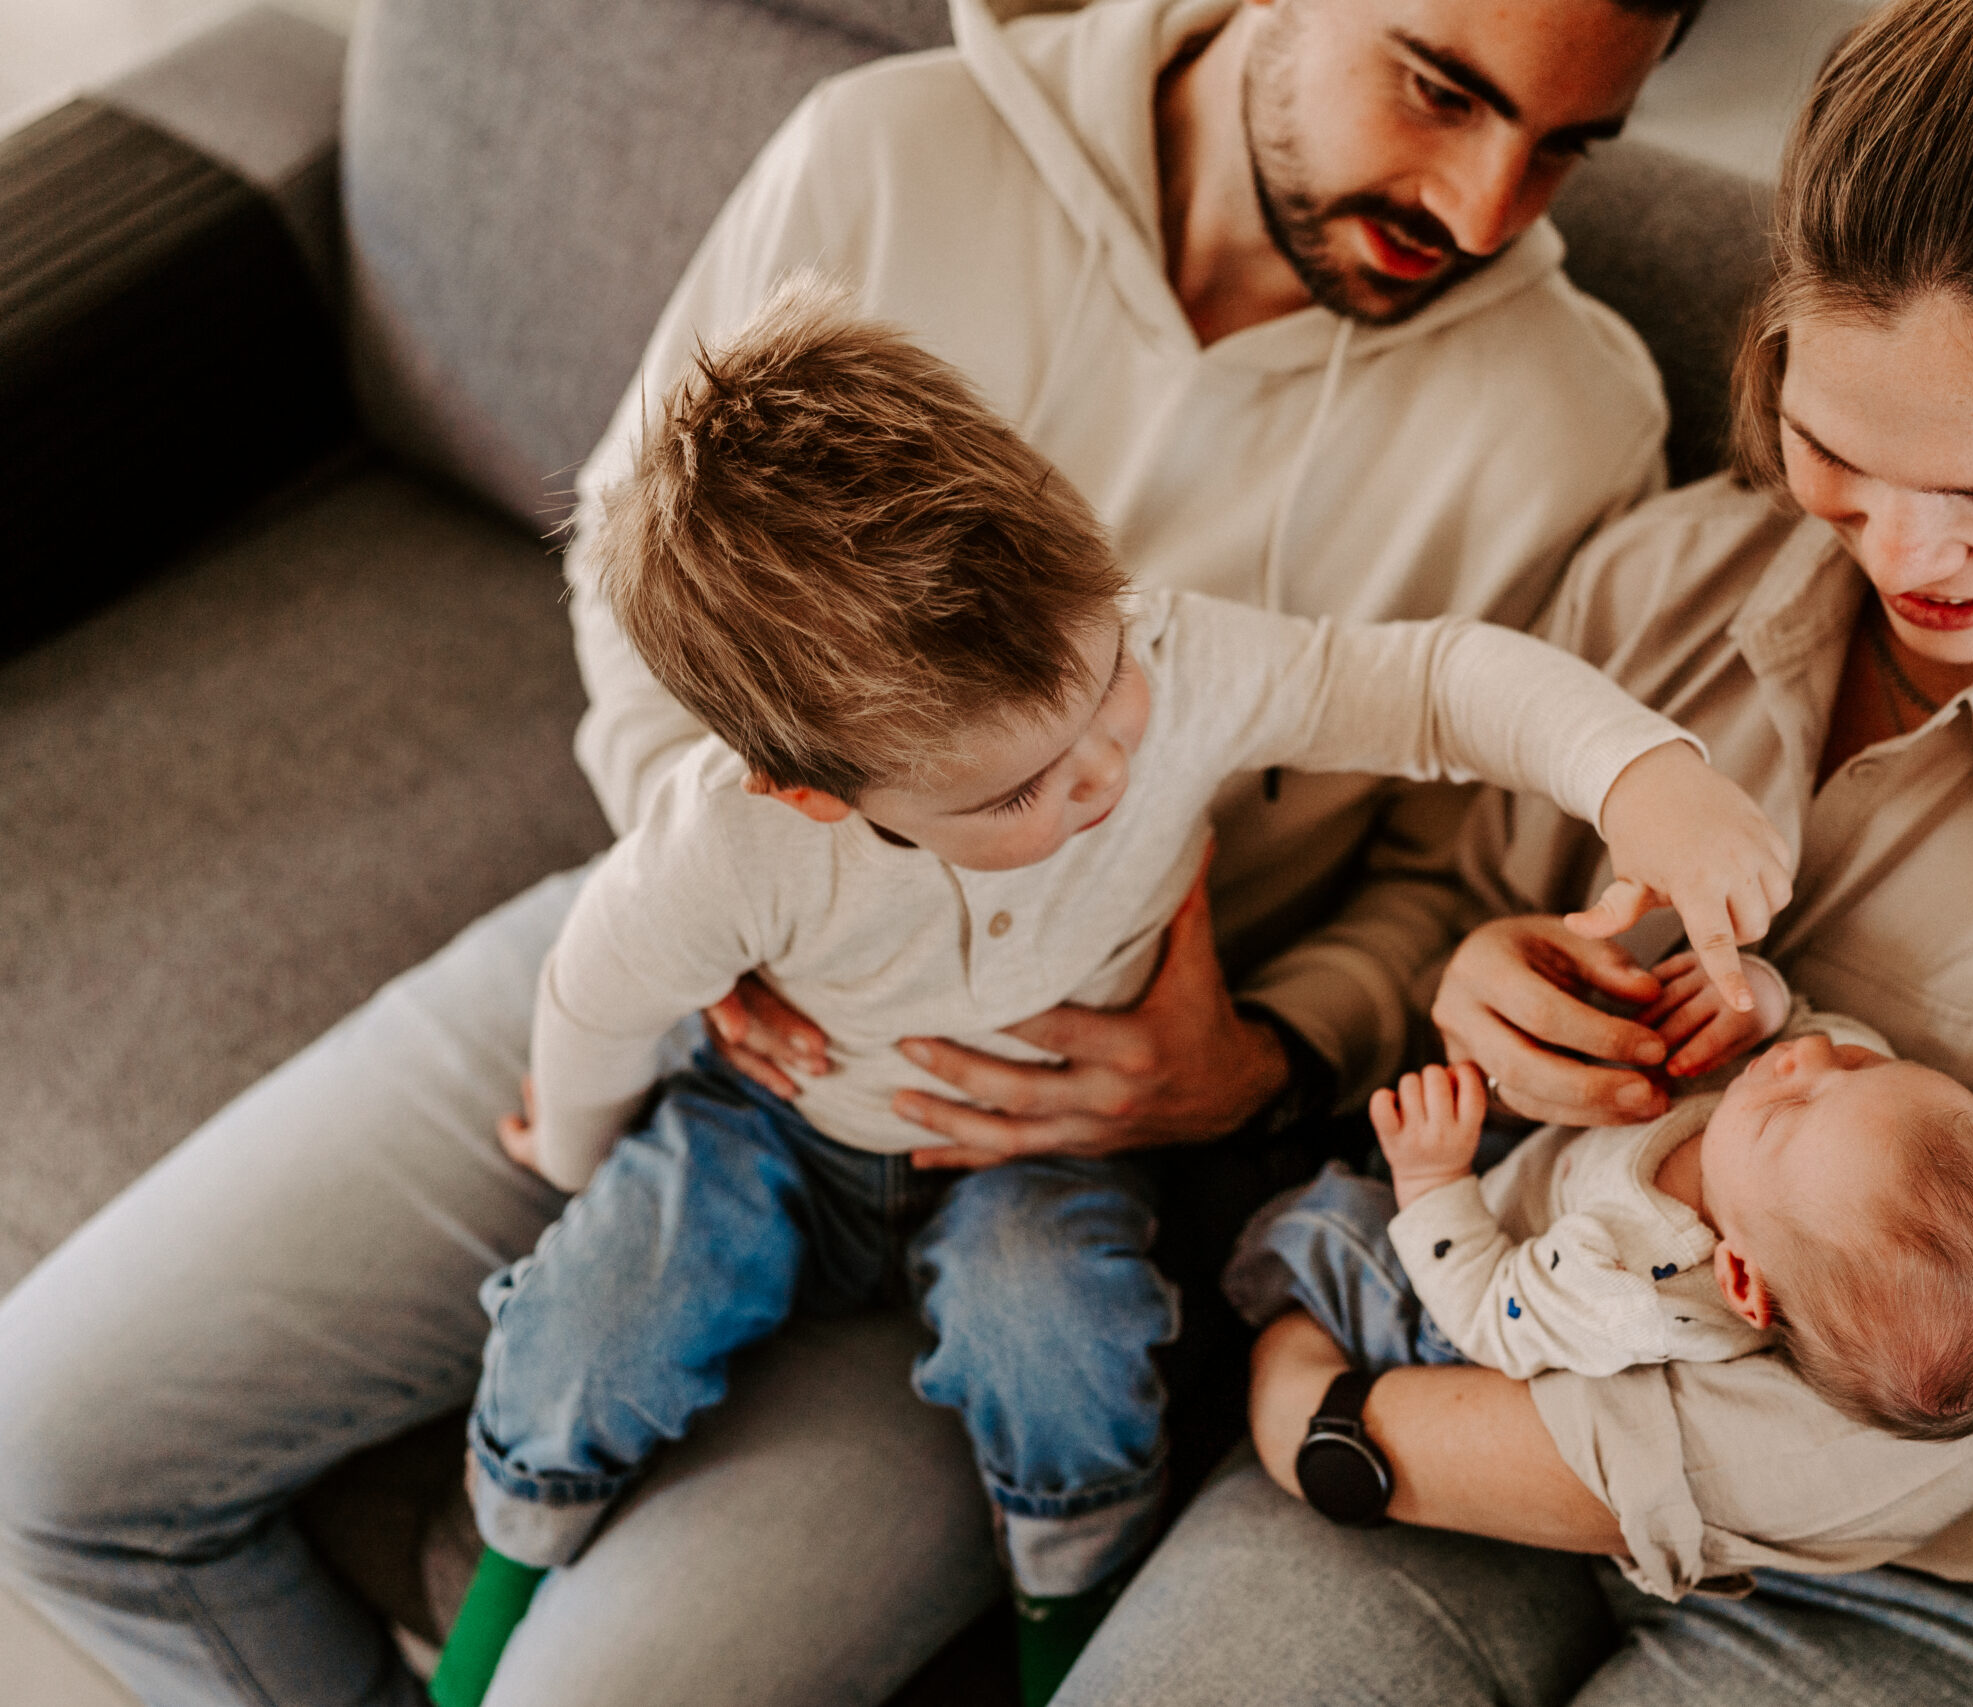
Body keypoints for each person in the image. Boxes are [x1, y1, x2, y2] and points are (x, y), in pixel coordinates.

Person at [0, 0, 1709, 1702]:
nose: (1488, 209)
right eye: (1439, 89)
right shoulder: (890, 155)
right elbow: (633, 563)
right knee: (51, 1458)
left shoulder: (1569, 417)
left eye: (1568, 145)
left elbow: (1462, 878)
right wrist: (736, 884)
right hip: (710, 961)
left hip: (1054, 1144)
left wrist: (1252, 1058)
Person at [1053, 1, 1973, 1702]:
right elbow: (1443, 889)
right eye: (1836, 454)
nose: (1907, 554)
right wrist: (1477, 977)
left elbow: (1914, 1435)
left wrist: (1336, 1420)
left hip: (1952, 1570)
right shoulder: (1675, 578)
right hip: (1524, 1326)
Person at [429, 281, 1783, 1699]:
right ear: (811, 789)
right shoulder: (727, 844)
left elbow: (1435, 684)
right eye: (1018, 785)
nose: (1101, 771)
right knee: (591, 1319)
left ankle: (1058, 1618)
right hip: (779, 1132)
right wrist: (575, 1144)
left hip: (1043, 1150)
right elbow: (595, 994)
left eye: (1107, 681)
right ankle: (497, 1596)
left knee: (1066, 1347)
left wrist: (1642, 772)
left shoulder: (1178, 653)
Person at [1224, 957, 1973, 1477]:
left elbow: (1490, 1313)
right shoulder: (1820, 1150)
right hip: (1534, 1162)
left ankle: (1235, 1300)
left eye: (1792, 1103)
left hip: (1477, 1283)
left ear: (1739, 1275)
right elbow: (1822, 1028)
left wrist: (1433, 1178)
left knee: (1325, 1225)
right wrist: (1761, 993)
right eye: (1862, 1064)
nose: (1805, 1056)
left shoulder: (1631, 1284)